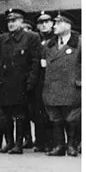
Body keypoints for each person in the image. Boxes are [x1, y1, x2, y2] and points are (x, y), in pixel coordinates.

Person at [0, 8, 41, 154]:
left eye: (14, 21)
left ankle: (19, 144)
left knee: (20, 114)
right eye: (8, 21)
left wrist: (31, 81)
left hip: (21, 83)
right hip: (4, 82)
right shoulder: (2, 39)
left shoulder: (31, 37)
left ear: (21, 21)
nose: (10, 24)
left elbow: (35, 62)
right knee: (6, 113)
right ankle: (9, 142)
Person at [42, 12, 81, 157]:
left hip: (72, 87)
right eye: (55, 23)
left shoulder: (80, 43)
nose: (55, 26)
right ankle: (59, 145)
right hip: (52, 87)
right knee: (55, 117)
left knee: (72, 117)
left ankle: (72, 145)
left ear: (68, 25)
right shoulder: (49, 45)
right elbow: (43, 65)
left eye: (59, 23)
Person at [33, 11, 55, 152]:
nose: (44, 25)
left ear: (52, 24)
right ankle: (40, 141)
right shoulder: (35, 40)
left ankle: (51, 142)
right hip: (38, 80)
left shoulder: (54, 39)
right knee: (38, 112)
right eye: (41, 23)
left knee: (50, 113)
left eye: (47, 22)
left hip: (50, 79)